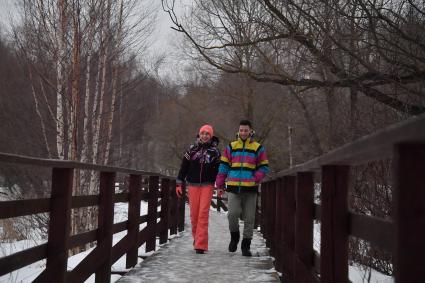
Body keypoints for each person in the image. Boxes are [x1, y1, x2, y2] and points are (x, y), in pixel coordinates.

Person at [215, 120, 269, 256]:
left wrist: (255, 177)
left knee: (249, 218)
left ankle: (246, 245)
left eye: (246, 130)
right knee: (232, 214)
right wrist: (220, 184)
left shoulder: (258, 148)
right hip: (233, 187)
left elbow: (264, 166)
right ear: (238, 131)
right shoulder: (231, 146)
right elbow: (223, 166)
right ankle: (234, 237)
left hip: (250, 188)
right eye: (241, 130)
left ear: (251, 131)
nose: (243, 132)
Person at [176, 124, 221, 254]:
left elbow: (219, 171)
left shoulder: (215, 152)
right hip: (193, 184)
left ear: (211, 136)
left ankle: (201, 245)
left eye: (207, 134)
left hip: (207, 185)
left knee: (203, 214)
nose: (205, 136)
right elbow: (183, 167)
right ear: (199, 135)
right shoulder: (191, 150)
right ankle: (197, 239)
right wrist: (179, 183)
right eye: (202, 133)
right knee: (194, 215)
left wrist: (220, 186)